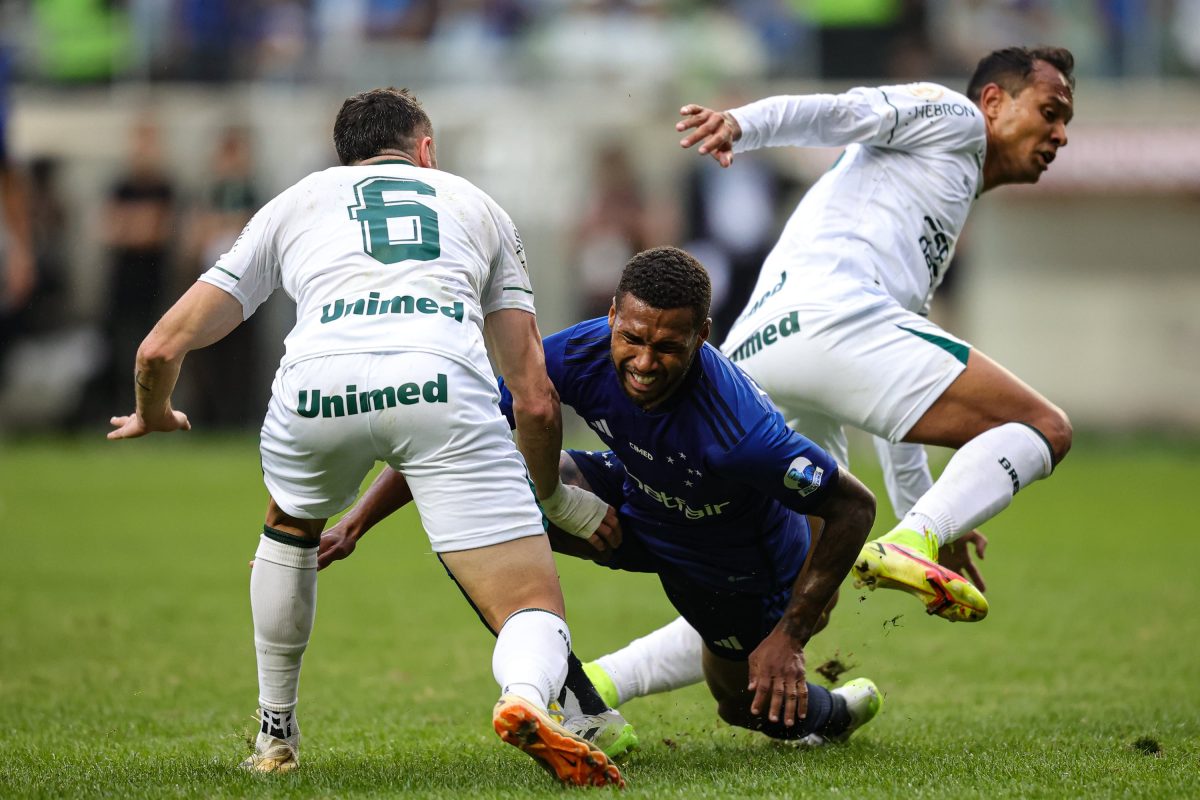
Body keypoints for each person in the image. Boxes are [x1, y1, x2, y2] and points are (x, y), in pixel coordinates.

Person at [106, 87, 624, 788]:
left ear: (343, 158)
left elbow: (159, 348)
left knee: (288, 526)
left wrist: (155, 411)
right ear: (427, 151)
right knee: (528, 604)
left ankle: (274, 733)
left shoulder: (295, 203)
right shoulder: (478, 207)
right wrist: (558, 501)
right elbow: (534, 397)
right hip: (440, 384)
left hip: (317, 384)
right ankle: (528, 700)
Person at [577, 46, 1078, 710]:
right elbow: (845, 112)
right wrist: (743, 126)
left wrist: (926, 521)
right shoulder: (956, 120)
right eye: (1050, 112)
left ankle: (596, 683)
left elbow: (893, 405)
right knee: (1044, 427)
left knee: (800, 584)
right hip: (830, 316)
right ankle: (913, 538)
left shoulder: (934, 194)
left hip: (760, 353)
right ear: (992, 101)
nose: (1061, 135)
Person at [321, 246, 884, 747]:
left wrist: (791, 631)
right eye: (631, 338)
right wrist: (357, 521)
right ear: (612, 315)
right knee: (478, 503)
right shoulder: (584, 352)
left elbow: (851, 506)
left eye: (668, 347)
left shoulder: (739, 433)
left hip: (735, 568)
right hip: (635, 500)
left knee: (743, 706)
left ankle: (840, 709)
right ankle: (579, 704)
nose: (643, 363)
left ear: (702, 336)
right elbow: (460, 434)